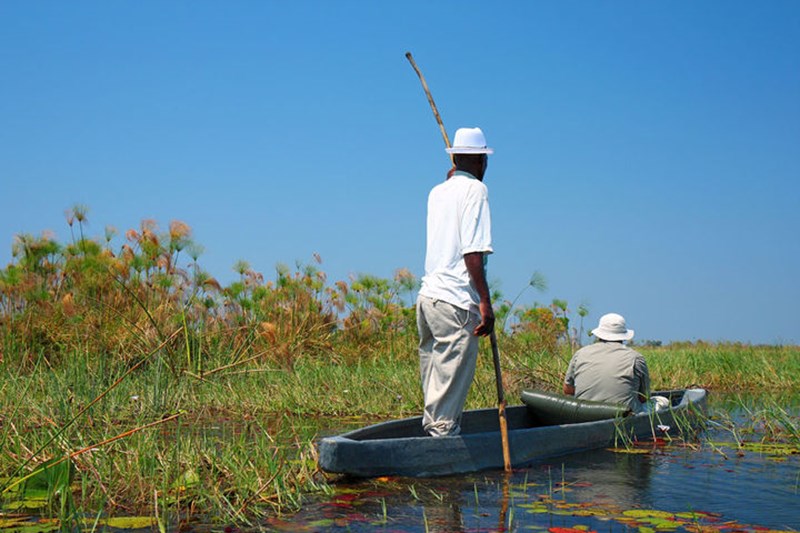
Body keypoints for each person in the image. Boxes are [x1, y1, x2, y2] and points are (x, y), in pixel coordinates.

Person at [416, 127, 495, 437]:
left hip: (428, 300)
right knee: (447, 392)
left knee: (435, 380)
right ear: (480, 160)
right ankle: (441, 442)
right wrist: (484, 301)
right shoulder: (476, 190)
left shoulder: (437, 191)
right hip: (455, 301)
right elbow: (472, 251)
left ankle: (433, 432)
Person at [563, 313, 669, 413]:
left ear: (599, 335)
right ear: (623, 336)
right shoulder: (636, 358)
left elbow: (567, 389)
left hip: (585, 413)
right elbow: (644, 397)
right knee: (662, 401)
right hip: (624, 413)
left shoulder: (580, 353)